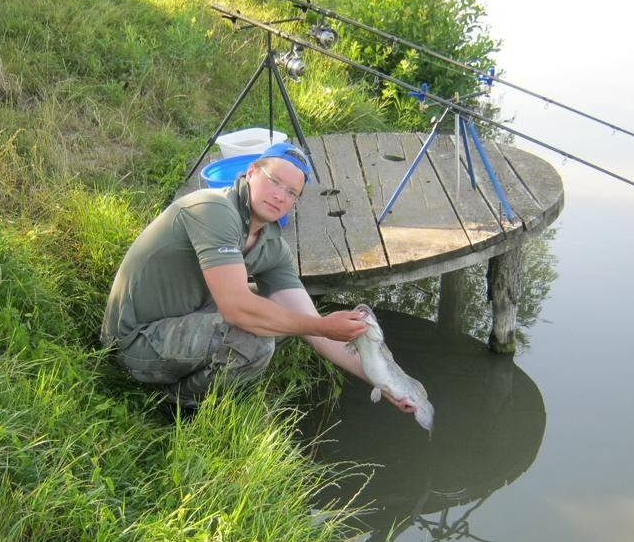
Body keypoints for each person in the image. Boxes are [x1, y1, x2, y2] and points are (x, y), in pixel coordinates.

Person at [100, 141, 417, 416]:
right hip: (133, 341)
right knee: (254, 339)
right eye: (274, 181)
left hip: (181, 318)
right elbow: (238, 309)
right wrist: (321, 325)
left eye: (291, 192)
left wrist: (386, 384)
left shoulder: (272, 245)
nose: (280, 195)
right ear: (250, 172)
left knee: (278, 312)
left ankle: (190, 379)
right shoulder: (214, 209)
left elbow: (313, 328)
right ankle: (177, 403)